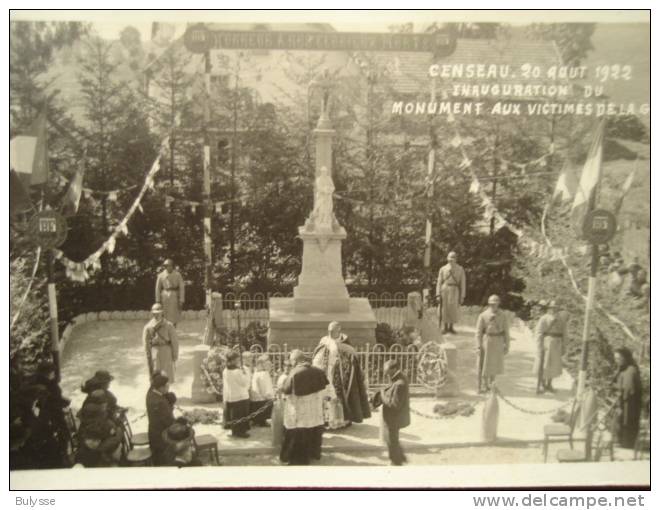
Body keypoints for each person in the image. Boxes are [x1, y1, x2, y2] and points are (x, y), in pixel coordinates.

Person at [312, 321, 371, 429]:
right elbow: (318, 354)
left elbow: (352, 356)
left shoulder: (345, 342)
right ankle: (327, 421)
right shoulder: (324, 341)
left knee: (343, 398)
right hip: (328, 374)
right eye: (329, 331)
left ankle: (343, 420)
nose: (330, 333)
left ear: (339, 330)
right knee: (327, 397)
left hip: (344, 376)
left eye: (333, 331)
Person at [280, 350, 329, 465]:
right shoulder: (319, 371)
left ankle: (298, 460)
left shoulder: (294, 373)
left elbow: (286, 391)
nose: (291, 363)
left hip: (299, 411)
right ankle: (314, 454)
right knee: (313, 430)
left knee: (298, 433)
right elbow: (325, 389)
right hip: (315, 410)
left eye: (292, 361)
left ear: (295, 360)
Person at [372, 359, 410, 466]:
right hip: (393, 417)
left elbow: (394, 405)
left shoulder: (399, 383)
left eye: (386, 370)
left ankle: (396, 462)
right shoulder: (398, 377)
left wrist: (383, 393)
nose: (384, 372)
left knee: (391, 440)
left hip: (394, 418)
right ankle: (401, 457)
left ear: (394, 369)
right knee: (391, 439)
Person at [475, 295, 510, 393]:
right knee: (485, 364)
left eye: (495, 304)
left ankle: (492, 384)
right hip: (487, 341)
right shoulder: (483, 315)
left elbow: (506, 331)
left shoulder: (503, 315)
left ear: (498, 304)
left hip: (498, 341)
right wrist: (478, 346)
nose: (493, 306)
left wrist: (507, 345)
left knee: (494, 364)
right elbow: (478, 332)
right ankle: (485, 385)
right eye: (491, 304)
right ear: (489, 304)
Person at [533, 301, 567, 394]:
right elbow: (539, 332)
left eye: (556, 308)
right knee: (544, 364)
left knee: (554, 365)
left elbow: (564, 333)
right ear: (549, 308)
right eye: (552, 307)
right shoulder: (544, 318)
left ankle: (549, 384)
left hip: (557, 344)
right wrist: (539, 346)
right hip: (547, 343)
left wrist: (564, 346)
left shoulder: (561, 319)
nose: (554, 309)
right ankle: (542, 384)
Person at [612, 347, 643, 449]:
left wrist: (620, 404)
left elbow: (629, 389)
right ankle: (623, 443)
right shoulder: (623, 368)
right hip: (624, 400)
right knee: (622, 422)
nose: (616, 361)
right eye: (615, 358)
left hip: (629, 403)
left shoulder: (631, 370)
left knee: (627, 422)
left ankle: (627, 445)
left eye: (618, 358)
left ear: (625, 358)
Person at [143, 303, 179, 381]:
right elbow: (146, 344)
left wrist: (175, 355)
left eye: (158, 313)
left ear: (162, 312)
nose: (156, 315)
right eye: (154, 313)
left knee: (167, 376)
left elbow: (175, 342)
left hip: (166, 350)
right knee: (156, 374)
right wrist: (148, 356)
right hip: (154, 351)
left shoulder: (169, 325)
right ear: (152, 313)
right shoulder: (148, 327)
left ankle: (166, 392)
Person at [146, 373, 175, 465]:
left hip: (153, 432)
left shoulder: (151, 393)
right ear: (161, 387)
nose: (168, 387)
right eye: (167, 386)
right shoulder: (160, 403)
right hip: (160, 438)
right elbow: (169, 422)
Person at [436, 251, 467, 334]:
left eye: (453, 257)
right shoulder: (443, 269)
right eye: (450, 257)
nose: (451, 259)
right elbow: (439, 282)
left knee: (453, 308)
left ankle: (451, 327)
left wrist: (462, 296)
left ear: (456, 259)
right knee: (444, 308)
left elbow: (463, 283)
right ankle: (445, 327)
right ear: (447, 258)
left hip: (455, 289)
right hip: (445, 288)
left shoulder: (460, 269)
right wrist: (438, 294)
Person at [222, 351, 251, 438]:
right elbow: (244, 383)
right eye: (237, 359)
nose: (238, 361)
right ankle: (241, 432)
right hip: (240, 396)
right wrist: (245, 373)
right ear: (233, 360)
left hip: (231, 396)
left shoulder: (225, 370)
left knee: (234, 415)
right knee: (241, 415)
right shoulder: (237, 372)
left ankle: (235, 431)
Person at [155, 258, 185, 326]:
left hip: (174, 296)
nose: (168, 267)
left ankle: (173, 329)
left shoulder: (177, 275)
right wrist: (158, 300)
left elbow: (182, 287)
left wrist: (181, 300)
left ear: (172, 266)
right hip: (164, 296)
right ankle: (165, 330)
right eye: (166, 266)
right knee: (164, 314)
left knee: (174, 314)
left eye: (169, 265)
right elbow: (157, 288)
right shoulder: (161, 275)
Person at [250, 355, 275, 427]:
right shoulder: (263, 374)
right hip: (262, 396)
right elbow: (265, 386)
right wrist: (268, 394)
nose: (270, 366)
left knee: (259, 407)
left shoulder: (258, 373)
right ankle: (261, 421)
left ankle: (259, 420)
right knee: (262, 406)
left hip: (258, 395)